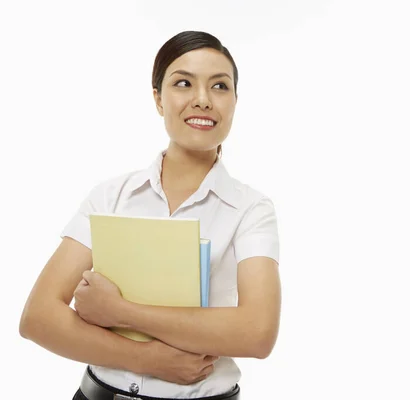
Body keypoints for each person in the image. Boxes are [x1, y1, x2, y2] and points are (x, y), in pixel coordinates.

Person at [19, 30, 281, 400]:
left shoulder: (252, 210)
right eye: (183, 83)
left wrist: (120, 311)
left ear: (235, 101)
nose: (202, 100)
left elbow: (257, 333)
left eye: (220, 86)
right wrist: (146, 358)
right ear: (158, 99)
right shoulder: (110, 196)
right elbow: (39, 319)